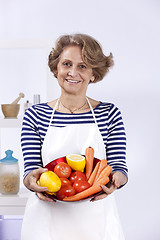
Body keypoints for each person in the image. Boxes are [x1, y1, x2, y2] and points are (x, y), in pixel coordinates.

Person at [21, 33, 128, 240]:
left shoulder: (108, 113)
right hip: (47, 219)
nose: (72, 72)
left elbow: (118, 166)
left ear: (94, 74)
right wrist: (30, 181)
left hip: (96, 218)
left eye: (82, 66)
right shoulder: (35, 115)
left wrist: (116, 181)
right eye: (67, 64)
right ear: (56, 69)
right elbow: (31, 170)